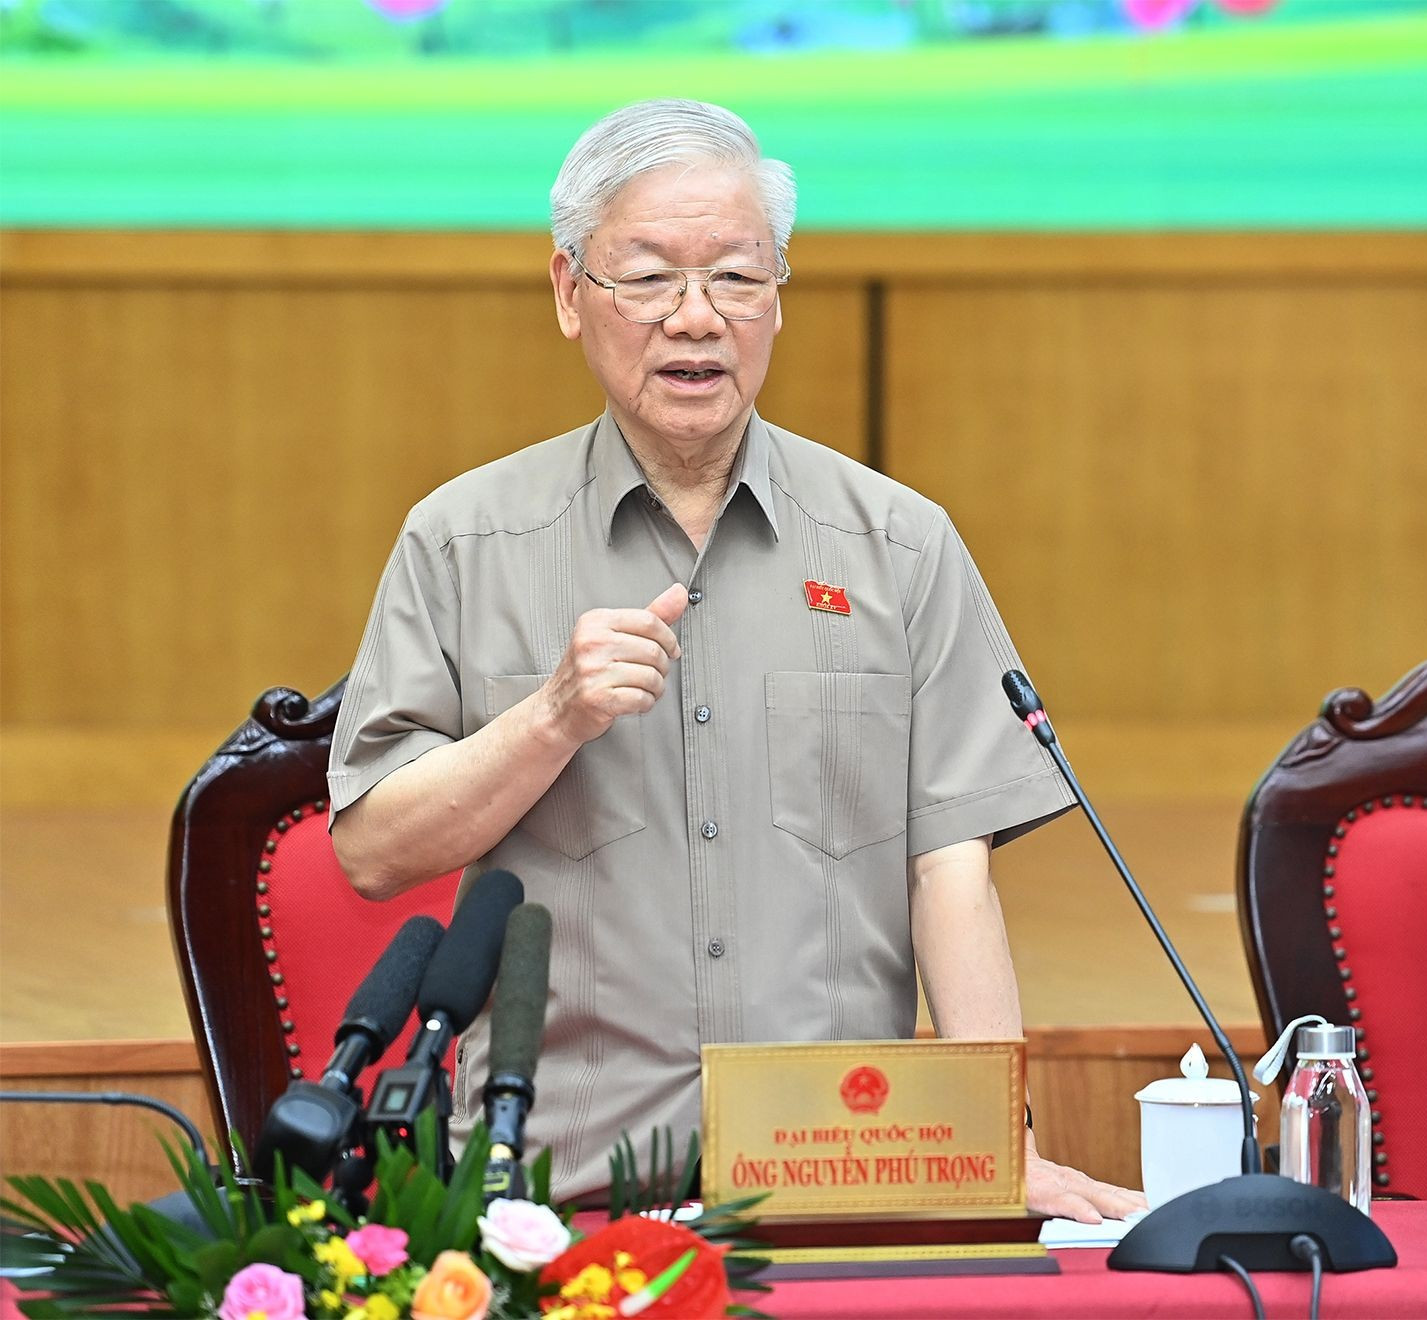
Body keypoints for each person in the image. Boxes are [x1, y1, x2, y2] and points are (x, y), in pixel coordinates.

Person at [327, 98, 1142, 1220]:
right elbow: (372, 850)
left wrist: (999, 1141)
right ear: (571, 294)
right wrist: (550, 718)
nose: (695, 319)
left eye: (737, 280)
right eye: (651, 277)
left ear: (778, 297)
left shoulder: (898, 545)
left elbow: (948, 872)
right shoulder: (465, 541)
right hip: (555, 1205)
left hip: (838, 1188)